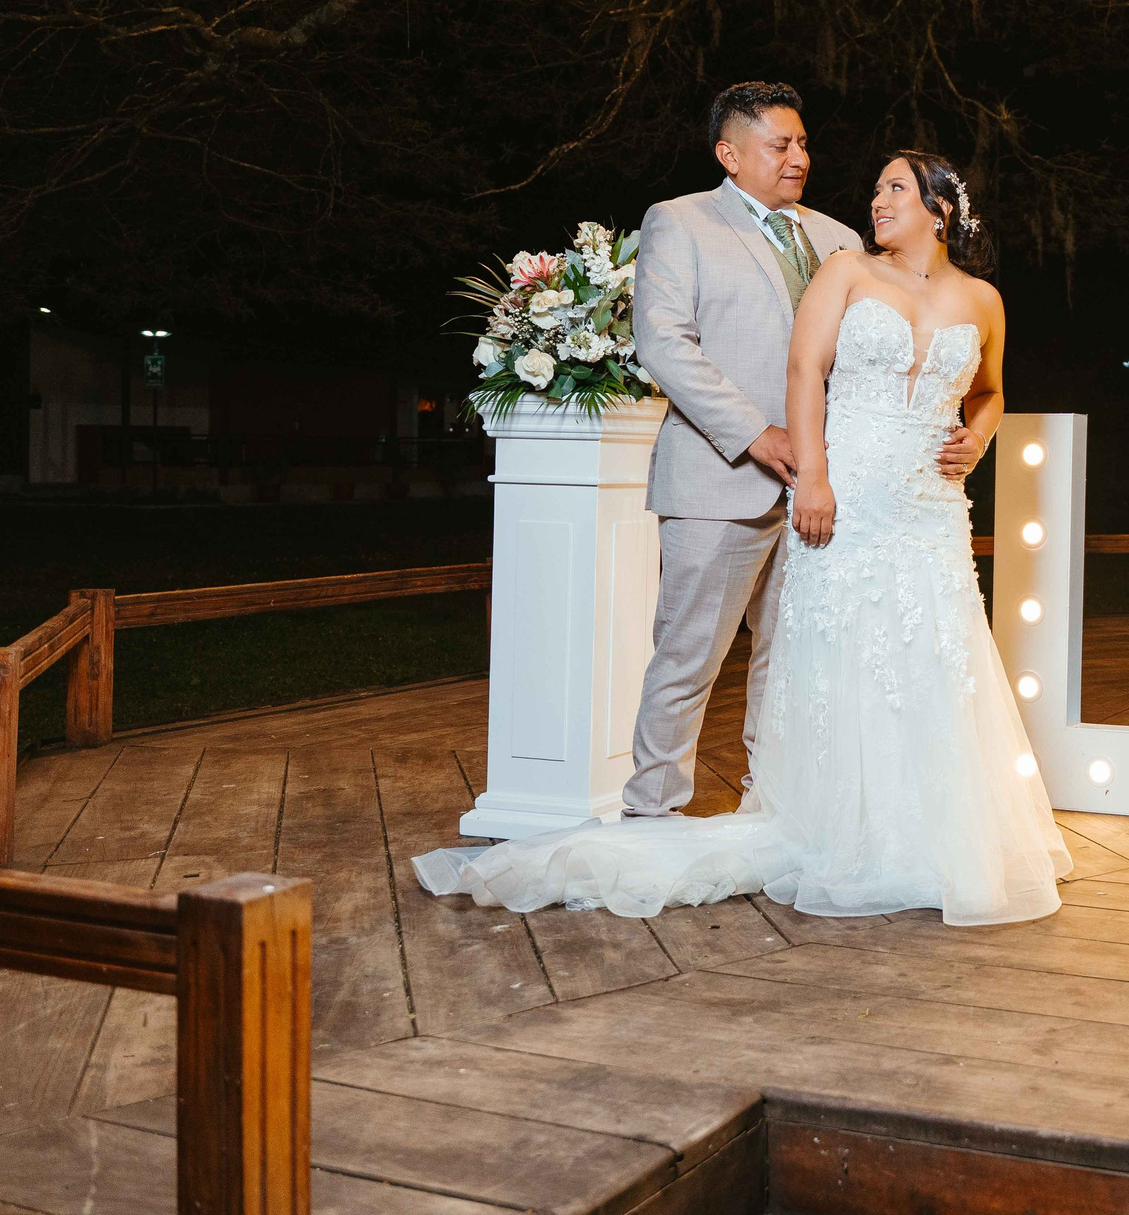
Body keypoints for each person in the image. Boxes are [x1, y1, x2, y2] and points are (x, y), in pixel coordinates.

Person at [416, 151, 1070, 926]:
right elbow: (803, 370)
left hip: (930, 511)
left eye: (895, 187)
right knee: (835, 656)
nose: (876, 199)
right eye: (875, 187)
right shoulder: (846, 270)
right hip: (847, 496)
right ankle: (817, 824)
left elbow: (990, 391)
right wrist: (814, 477)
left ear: (941, 209)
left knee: (932, 659)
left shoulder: (984, 300)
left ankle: (922, 839)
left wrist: (980, 436)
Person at [628, 80, 860, 816]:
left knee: (790, 663)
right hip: (717, 479)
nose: (799, 158)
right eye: (780, 144)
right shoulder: (680, 221)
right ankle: (651, 816)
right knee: (687, 659)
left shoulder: (840, 240)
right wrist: (756, 433)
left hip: (818, 489)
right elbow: (664, 343)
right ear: (729, 154)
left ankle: (770, 812)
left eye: (803, 143)